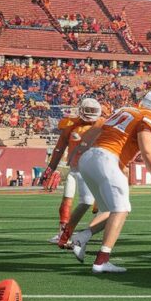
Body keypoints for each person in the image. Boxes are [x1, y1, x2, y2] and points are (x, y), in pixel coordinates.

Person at [71, 91, 151, 273]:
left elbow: (95, 131)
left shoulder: (125, 110)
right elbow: (146, 149)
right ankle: (102, 261)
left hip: (89, 158)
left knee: (110, 209)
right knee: (122, 209)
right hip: (107, 158)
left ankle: (83, 236)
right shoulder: (150, 116)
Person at [40, 98, 103, 244]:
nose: (90, 114)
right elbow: (59, 148)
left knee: (89, 202)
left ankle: (84, 233)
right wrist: (51, 167)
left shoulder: (103, 125)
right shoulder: (70, 126)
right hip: (74, 170)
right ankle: (63, 233)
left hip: (92, 170)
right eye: (88, 110)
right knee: (67, 201)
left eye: (93, 111)